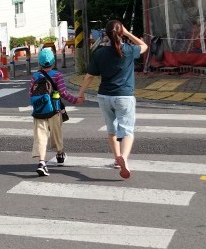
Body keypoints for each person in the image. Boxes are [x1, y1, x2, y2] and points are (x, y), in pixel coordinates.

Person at [77, 20, 148, 179]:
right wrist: (128, 33)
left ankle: (117, 159)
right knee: (127, 130)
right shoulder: (129, 50)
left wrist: (81, 93)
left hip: (104, 97)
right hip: (124, 96)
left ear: (106, 35)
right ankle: (124, 157)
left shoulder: (99, 53)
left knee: (112, 129)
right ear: (120, 33)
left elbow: (89, 76)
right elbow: (144, 46)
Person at [30, 48, 78, 176]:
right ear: (53, 61)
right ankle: (60, 155)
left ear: (39, 62)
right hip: (54, 111)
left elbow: (31, 94)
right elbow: (63, 93)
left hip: (39, 111)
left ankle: (41, 162)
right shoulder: (57, 75)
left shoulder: (35, 76)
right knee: (56, 134)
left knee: (41, 136)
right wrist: (75, 100)